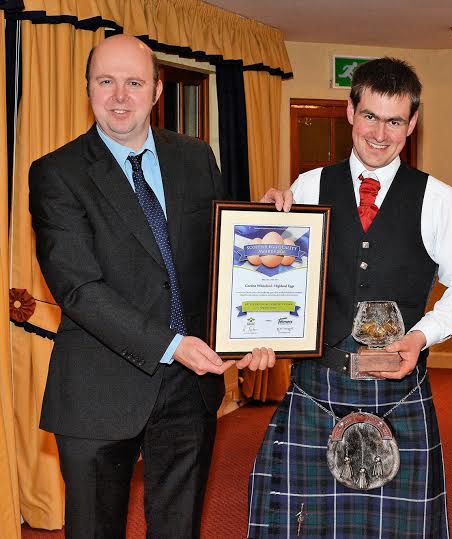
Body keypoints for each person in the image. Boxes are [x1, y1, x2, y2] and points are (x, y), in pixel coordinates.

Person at [29, 34, 273, 538]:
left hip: (191, 389)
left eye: (134, 83)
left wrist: (264, 219)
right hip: (100, 391)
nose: (120, 96)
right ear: (89, 89)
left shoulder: (196, 157)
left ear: (158, 91)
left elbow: (221, 256)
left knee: (178, 528)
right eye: (106, 82)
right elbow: (78, 289)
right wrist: (172, 345)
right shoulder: (57, 173)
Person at [250, 57, 452, 538]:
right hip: (318, 383)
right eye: (370, 116)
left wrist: (421, 335)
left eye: (395, 121)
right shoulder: (308, 186)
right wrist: (265, 226)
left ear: (412, 123)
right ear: (350, 112)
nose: (380, 133)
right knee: (307, 527)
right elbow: (278, 276)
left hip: (399, 388)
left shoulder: (439, 199)